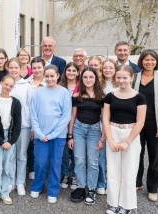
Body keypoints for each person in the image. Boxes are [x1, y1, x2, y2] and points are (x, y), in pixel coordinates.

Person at [102, 65, 146, 214]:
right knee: (113, 171)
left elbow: (140, 121)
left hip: (130, 135)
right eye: (118, 77)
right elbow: (105, 119)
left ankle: (126, 206)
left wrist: (127, 142)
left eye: (125, 77)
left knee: (129, 171)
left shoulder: (140, 97)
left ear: (131, 78)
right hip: (113, 132)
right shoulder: (110, 96)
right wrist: (111, 140)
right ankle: (113, 204)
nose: (121, 80)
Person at [29, 64, 71, 204]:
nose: (49, 78)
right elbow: (33, 114)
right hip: (41, 136)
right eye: (47, 76)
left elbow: (66, 116)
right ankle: (37, 186)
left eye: (52, 76)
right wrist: (39, 133)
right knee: (40, 163)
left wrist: (52, 135)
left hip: (57, 137)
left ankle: (53, 190)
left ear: (58, 76)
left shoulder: (64, 93)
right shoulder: (38, 92)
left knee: (55, 163)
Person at [134, 49, 158, 202]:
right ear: (141, 61)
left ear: (156, 62)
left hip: (155, 124)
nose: (149, 62)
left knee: (155, 157)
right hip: (137, 124)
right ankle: (137, 183)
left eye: (152, 60)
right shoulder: (134, 78)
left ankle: (153, 188)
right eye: (146, 59)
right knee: (136, 155)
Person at [67, 67, 105, 205]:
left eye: (91, 77)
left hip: (95, 131)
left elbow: (105, 119)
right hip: (78, 130)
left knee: (93, 161)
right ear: (81, 79)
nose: (88, 80)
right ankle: (81, 187)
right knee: (79, 159)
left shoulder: (102, 97)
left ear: (96, 79)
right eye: (85, 77)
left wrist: (103, 138)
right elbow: (72, 116)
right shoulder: (77, 96)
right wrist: (70, 136)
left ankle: (92, 189)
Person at [0, 57, 33, 196]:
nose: (13, 70)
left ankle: (20, 182)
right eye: (11, 68)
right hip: (7, 126)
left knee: (22, 155)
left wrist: (32, 128)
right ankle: (11, 181)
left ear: (20, 69)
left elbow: (31, 106)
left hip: (23, 126)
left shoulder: (27, 85)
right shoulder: (2, 85)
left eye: (16, 68)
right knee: (10, 155)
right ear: (8, 69)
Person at [0, 75, 22, 206]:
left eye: (11, 85)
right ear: (1, 83)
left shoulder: (16, 103)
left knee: (7, 167)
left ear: (13, 87)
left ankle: (5, 193)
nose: (8, 87)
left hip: (10, 137)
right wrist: (1, 141)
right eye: (6, 84)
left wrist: (10, 141)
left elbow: (18, 124)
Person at [97, 58, 118, 194]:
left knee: (115, 154)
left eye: (111, 68)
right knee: (101, 154)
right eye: (105, 68)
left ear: (115, 69)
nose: (108, 70)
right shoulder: (98, 85)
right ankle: (101, 182)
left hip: (117, 122)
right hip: (100, 120)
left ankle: (114, 183)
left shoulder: (120, 84)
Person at [59, 62, 79, 190]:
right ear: (65, 72)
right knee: (64, 152)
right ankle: (65, 175)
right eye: (69, 70)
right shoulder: (60, 86)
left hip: (78, 123)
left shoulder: (81, 86)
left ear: (78, 72)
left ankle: (75, 176)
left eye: (74, 70)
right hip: (62, 124)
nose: (71, 73)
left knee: (76, 152)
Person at [27, 57, 47, 180]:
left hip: (45, 120)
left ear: (43, 67)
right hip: (29, 119)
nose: (37, 70)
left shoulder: (49, 82)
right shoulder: (26, 83)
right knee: (31, 146)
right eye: (34, 68)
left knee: (43, 147)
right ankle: (32, 168)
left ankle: (42, 170)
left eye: (39, 67)